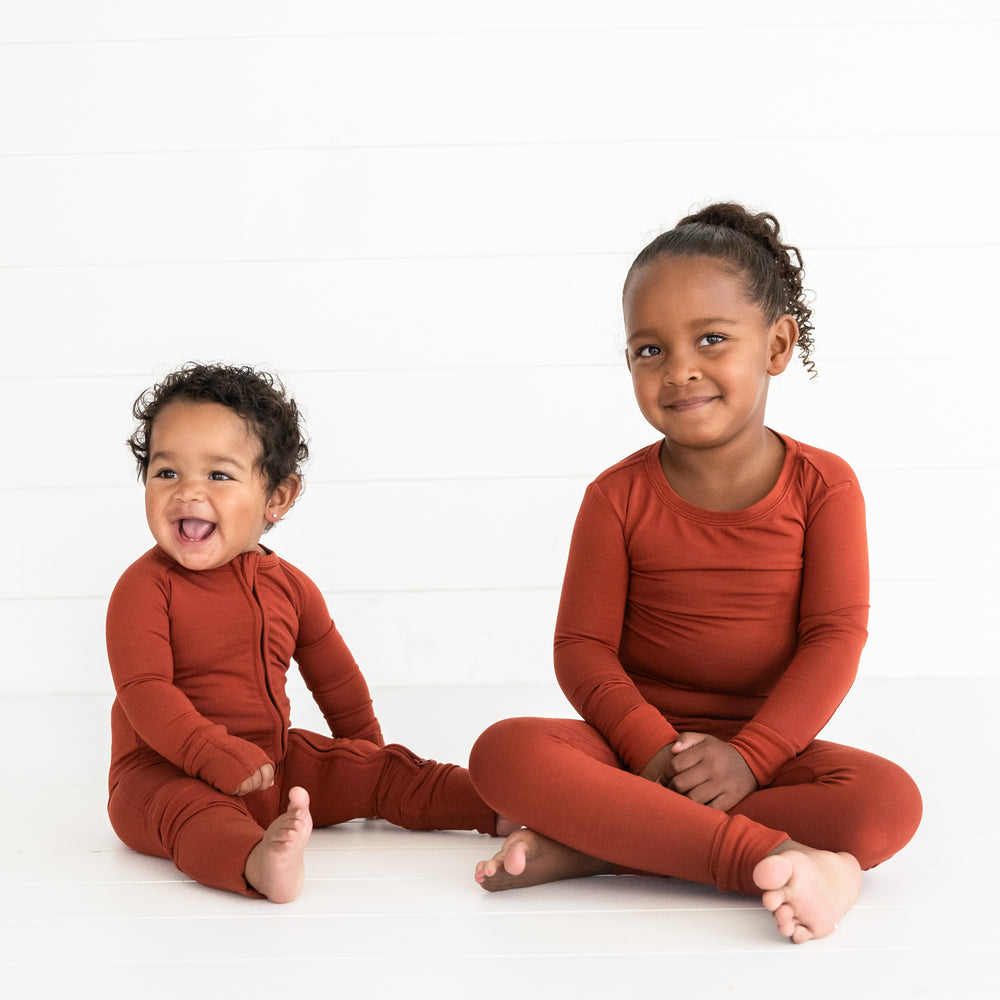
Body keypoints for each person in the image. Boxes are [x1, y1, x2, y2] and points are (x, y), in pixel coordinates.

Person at [469, 203, 922, 943]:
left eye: (711, 339)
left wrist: (749, 758)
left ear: (777, 345)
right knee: (503, 753)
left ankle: (604, 843)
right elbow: (581, 650)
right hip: (634, 752)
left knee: (885, 803)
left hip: (763, 752)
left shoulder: (824, 487)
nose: (680, 370)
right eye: (649, 350)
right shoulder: (614, 498)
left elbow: (834, 640)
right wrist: (650, 748)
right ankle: (772, 858)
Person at [107, 363, 513, 902]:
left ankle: (501, 807)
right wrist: (210, 753)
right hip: (163, 774)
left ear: (277, 496)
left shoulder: (292, 588)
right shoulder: (144, 588)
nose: (187, 493)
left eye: (219, 475)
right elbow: (145, 693)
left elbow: (336, 680)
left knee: (391, 769)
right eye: (166, 473)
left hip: (272, 763)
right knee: (194, 816)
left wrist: (368, 760)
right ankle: (256, 863)